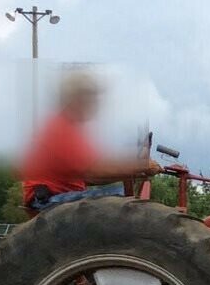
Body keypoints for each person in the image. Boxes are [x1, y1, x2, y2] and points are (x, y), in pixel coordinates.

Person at [20, 71, 162, 213]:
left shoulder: (71, 129)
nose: (96, 103)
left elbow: (93, 176)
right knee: (123, 197)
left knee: (123, 194)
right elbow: (94, 171)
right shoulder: (60, 127)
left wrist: (136, 172)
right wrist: (141, 166)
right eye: (91, 97)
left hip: (59, 197)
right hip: (48, 200)